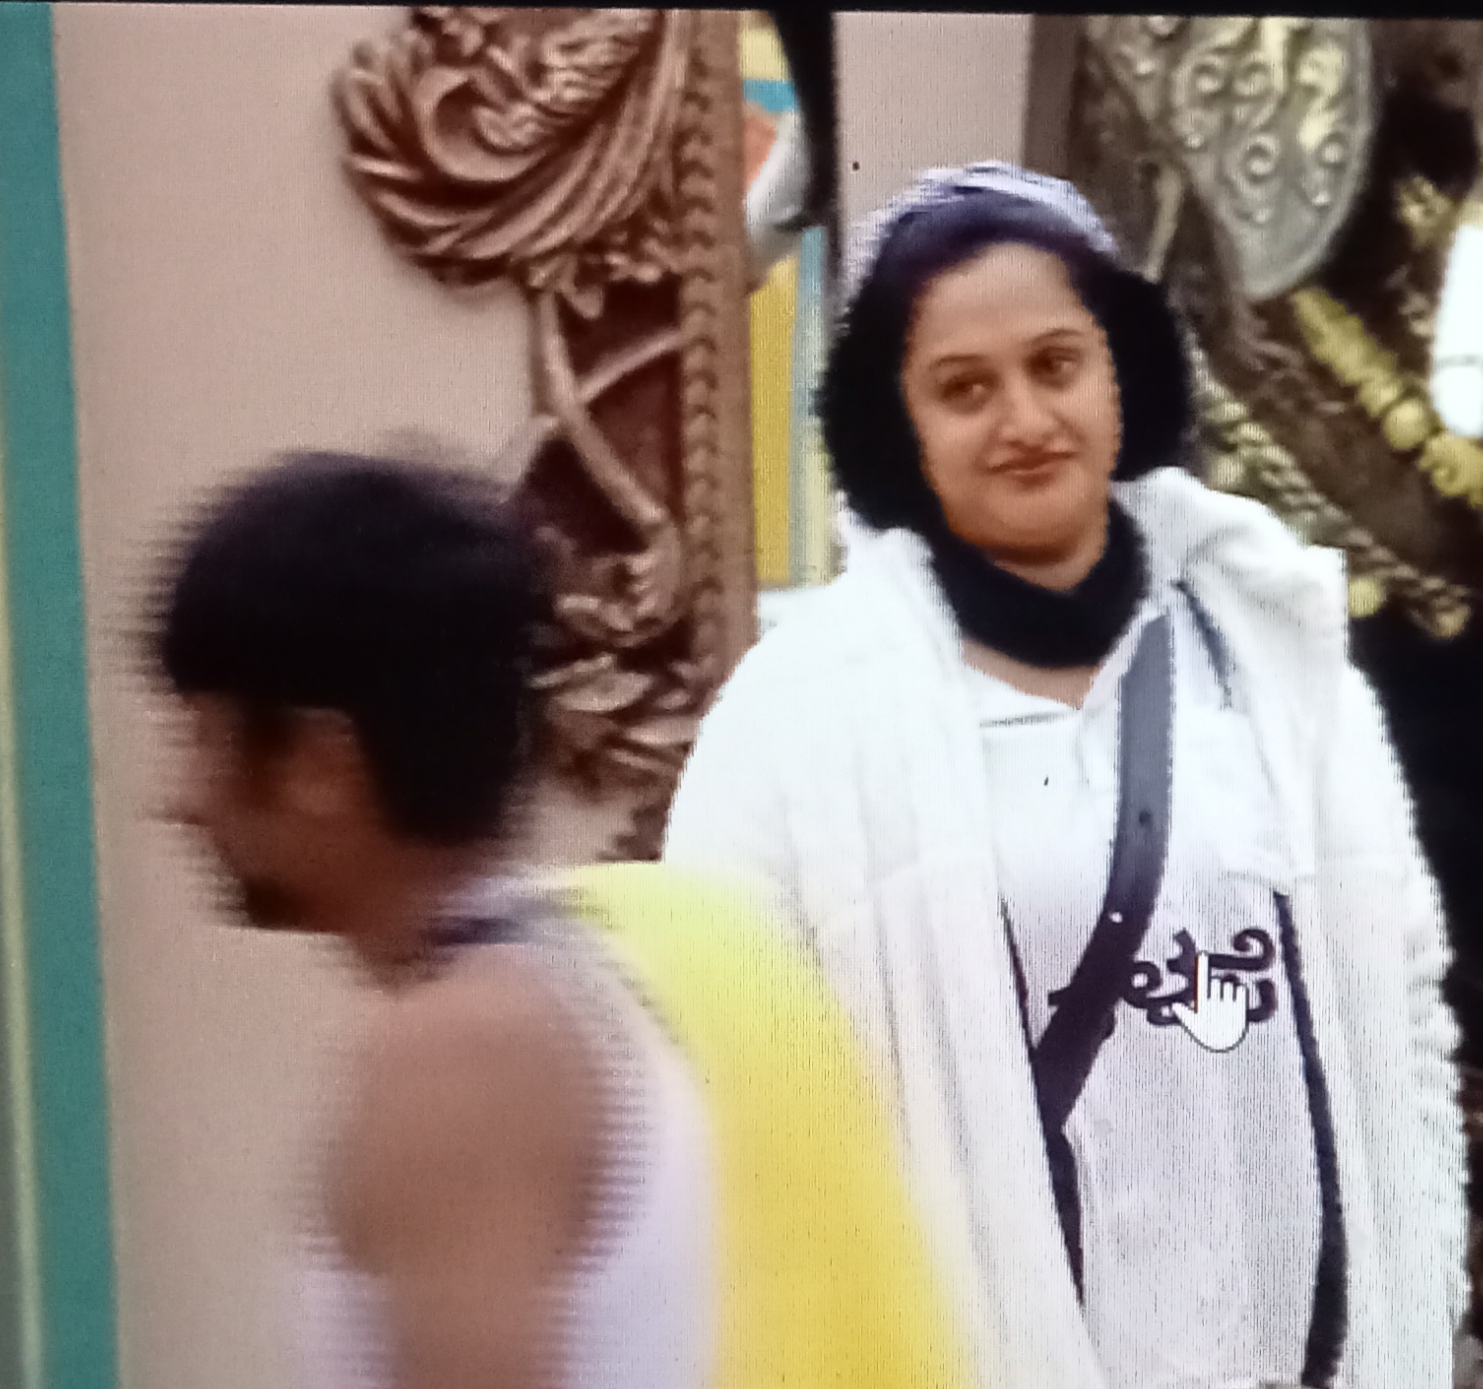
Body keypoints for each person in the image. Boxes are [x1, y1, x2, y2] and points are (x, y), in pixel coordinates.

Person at [664, 163, 1469, 1389]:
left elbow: (1402, 1007)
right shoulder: (796, 719)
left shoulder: (1272, 655)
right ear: (896, 425)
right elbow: (733, 1093)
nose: (1025, 418)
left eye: (1056, 365)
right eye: (964, 389)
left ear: (1120, 372)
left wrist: (1425, 1294)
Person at [152, 451, 965, 1389]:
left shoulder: (459, 1053)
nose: (179, 801)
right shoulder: (604, 972)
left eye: (204, 738)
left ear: (320, 764)